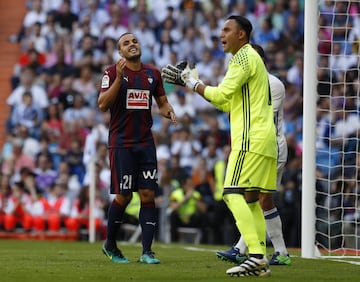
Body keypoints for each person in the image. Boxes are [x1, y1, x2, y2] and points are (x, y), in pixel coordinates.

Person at [162, 15, 276, 277]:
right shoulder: (249, 60)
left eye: (227, 29)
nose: (221, 34)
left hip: (250, 139)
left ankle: (256, 256)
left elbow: (222, 95)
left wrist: (192, 82)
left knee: (230, 193)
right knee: (251, 202)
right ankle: (260, 260)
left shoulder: (243, 57)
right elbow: (226, 103)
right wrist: (195, 82)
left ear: (242, 35)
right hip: (264, 139)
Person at [98, 32, 177, 264]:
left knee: (148, 193)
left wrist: (169, 111)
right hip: (121, 143)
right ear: (120, 52)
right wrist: (118, 79)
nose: (132, 44)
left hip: (145, 143)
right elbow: (102, 104)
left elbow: (161, 103)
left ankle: (147, 251)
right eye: (126, 43)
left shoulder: (153, 73)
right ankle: (110, 245)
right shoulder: (111, 72)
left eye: (134, 41)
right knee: (123, 195)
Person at [215, 43, 291, 266]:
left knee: (253, 196)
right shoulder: (248, 85)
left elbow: (259, 116)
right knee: (258, 198)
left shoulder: (273, 85)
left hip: (269, 146)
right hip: (255, 146)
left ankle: (245, 250)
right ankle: (278, 252)